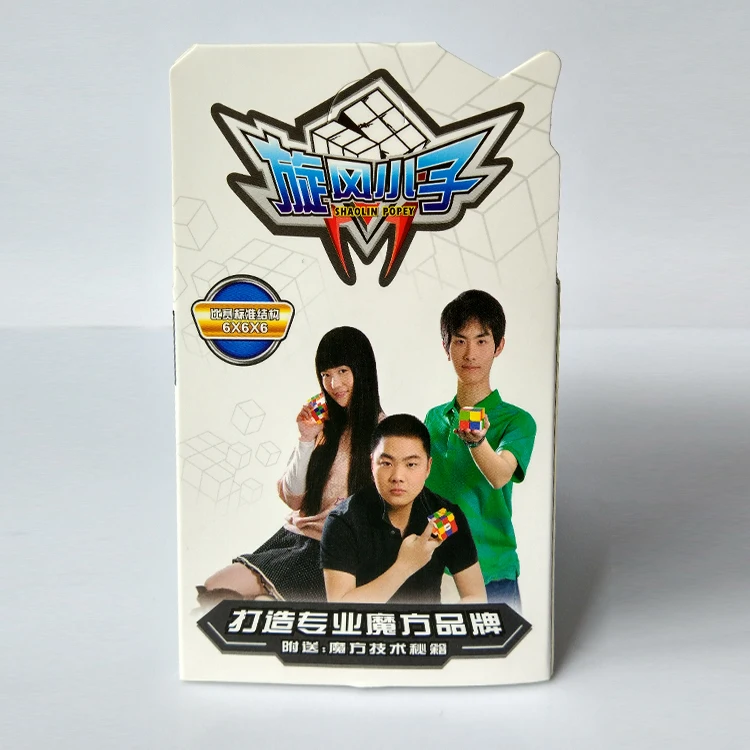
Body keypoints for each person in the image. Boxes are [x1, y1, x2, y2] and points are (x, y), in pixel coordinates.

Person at [199, 326, 383, 604]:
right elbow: (293, 498)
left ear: (363, 369)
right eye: (326, 375)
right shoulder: (324, 428)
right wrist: (306, 439)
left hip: (333, 553)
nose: (334, 384)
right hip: (294, 538)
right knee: (214, 588)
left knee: (255, 605)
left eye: (343, 371)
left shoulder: (385, 434)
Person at [423, 290, 536, 610]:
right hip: (438, 570)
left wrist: (477, 442)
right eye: (460, 341)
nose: (470, 353)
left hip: (492, 572)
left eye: (481, 341)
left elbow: (500, 475)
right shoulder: (433, 418)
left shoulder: (517, 420)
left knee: (500, 646)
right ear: (446, 348)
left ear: (499, 346)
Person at [321, 414, 486, 604]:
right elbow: (341, 607)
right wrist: (405, 566)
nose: (397, 476)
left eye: (411, 464)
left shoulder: (445, 516)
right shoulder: (344, 522)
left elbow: (475, 596)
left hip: (425, 622)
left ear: (428, 467)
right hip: (369, 623)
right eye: (386, 463)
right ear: (372, 465)